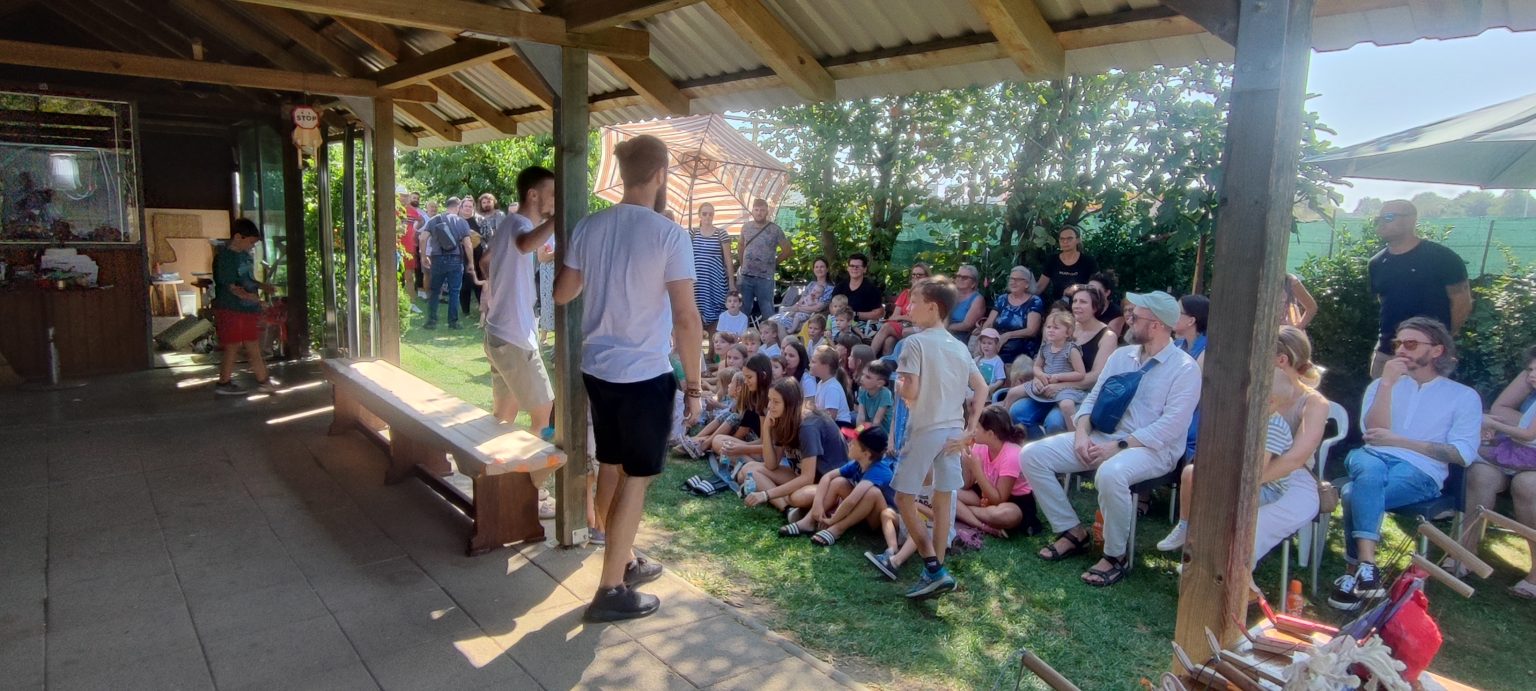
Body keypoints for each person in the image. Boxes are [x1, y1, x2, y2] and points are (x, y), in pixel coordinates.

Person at [554, 134, 703, 622]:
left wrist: (595, 263)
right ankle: (611, 588)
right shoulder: (669, 235)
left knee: (611, 464)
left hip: (598, 369)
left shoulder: (590, 226)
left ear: (622, 173)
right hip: (643, 375)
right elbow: (687, 318)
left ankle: (625, 559)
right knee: (637, 479)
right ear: (660, 174)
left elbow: (562, 293)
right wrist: (695, 387)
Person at [1021, 291, 1201, 587]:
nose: (1128, 319)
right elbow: (1092, 399)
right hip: (1102, 436)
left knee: (1111, 472)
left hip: (1153, 449)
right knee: (1032, 455)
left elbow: (1171, 426)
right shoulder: (1121, 356)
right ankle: (1071, 531)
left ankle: (1115, 555)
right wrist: (1081, 433)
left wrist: (1117, 447)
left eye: (1136, 316)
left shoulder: (1184, 369)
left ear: (1156, 324)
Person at [1328, 317, 1481, 612]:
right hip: (1371, 456)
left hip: (1421, 470)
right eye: (1398, 343)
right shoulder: (1381, 385)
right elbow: (1372, 434)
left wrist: (1401, 441)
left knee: (1352, 493)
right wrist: (1386, 384)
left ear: (1436, 350)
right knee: (1368, 470)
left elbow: (1462, 454)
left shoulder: (1462, 396)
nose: (1400, 350)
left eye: (1410, 344)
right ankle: (1368, 569)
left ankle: (1355, 571)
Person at [1157, 327, 1329, 572]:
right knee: (1201, 482)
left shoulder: (1314, 402)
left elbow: (1295, 459)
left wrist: (1244, 482)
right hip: (1246, 466)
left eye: (1258, 354)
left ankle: (1222, 574)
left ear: (1281, 360)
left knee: (1251, 524)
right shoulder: (1257, 391)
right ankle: (1199, 558)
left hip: (1293, 479)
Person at [891, 276, 989, 599]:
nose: (909, 307)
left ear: (933, 307)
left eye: (915, 302)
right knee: (943, 498)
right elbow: (982, 388)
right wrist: (971, 428)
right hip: (953, 432)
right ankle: (937, 570)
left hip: (924, 430)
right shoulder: (959, 347)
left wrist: (899, 385)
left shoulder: (914, 343)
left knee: (903, 498)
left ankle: (933, 568)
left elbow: (911, 390)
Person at [481, 167, 557, 438]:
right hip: (514, 336)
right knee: (544, 416)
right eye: (553, 194)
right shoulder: (520, 224)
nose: (557, 199)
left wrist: (501, 290)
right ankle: (529, 470)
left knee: (503, 418)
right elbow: (525, 245)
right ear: (533, 195)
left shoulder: (508, 223)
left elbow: (485, 261)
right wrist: (558, 219)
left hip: (498, 332)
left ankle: (496, 465)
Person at [1367, 200, 1472, 378]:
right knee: (1380, 394)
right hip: (1387, 351)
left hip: (1428, 356)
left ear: (1411, 220)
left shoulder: (1442, 258)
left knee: (1425, 396)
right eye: (1378, 219)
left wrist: (1441, 339)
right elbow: (1384, 302)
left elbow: (1462, 303)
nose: (1382, 223)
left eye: (1389, 217)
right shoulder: (1376, 263)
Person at [1462, 345, 1536, 599]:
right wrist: (1525, 422)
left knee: (1528, 485)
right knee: (1480, 474)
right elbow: (1500, 408)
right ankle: (1464, 552)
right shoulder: (1534, 366)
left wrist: (1513, 425)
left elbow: (1518, 427)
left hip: (1527, 453)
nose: (1531, 374)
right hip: (1518, 448)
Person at [1000, 287, 1115, 434]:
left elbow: (1095, 377)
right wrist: (1038, 378)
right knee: (1017, 411)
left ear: (1095, 307)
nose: (1077, 305)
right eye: (1075, 301)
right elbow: (1043, 359)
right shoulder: (1059, 326)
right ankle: (1034, 444)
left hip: (1079, 391)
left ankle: (1065, 444)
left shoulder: (1107, 336)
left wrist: (1060, 386)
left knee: (1054, 422)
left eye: (1083, 302)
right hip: (1048, 385)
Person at [741, 379, 848, 515]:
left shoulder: (808, 426)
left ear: (790, 404)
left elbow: (807, 477)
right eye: (769, 400)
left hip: (829, 482)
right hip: (804, 476)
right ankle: (788, 509)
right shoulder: (783, 418)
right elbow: (771, 465)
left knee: (797, 497)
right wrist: (767, 429)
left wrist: (766, 494)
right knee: (749, 468)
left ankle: (827, 502)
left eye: (776, 402)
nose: (770, 406)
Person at [781, 426, 895, 546]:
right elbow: (828, 477)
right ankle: (808, 522)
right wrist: (817, 504)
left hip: (880, 519)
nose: (848, 444)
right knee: (838, 482)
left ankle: (837, 529)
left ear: (866, 454)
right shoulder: (857, 463)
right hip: (862, 513)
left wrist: (833, 520)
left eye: (853, 443)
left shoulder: (879, 470)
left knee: (873, 493)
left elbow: (852, 501)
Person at [953, 405, 1040, 537]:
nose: (973, 431)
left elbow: (998, 500)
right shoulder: (980, 445)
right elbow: (966, 485)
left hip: (1013, 501)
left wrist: (976, 469)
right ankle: (982, 525)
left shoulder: (1011, 455)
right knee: (949, 494)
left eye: (977, 427)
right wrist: (966, 454)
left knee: (1005, 515)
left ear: (990, 434)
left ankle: (963, 513)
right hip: (985, 494)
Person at [213, 219, 277, 396]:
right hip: (231, 308)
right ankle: (227, 382)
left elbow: (248, 280)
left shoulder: (245, 256)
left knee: (251, 345)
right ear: (237, 237)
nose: (252, 246)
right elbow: (232, 287)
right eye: (250, 242)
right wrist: (253, 298)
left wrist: (263, 287)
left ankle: (262, 381)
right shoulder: (224, 258)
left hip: (247, 309)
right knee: (234, 346)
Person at [1011, 311, 1086, 436]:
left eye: (1056, 328)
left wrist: (1059, 377)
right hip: (1046, 384)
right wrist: (1040, 375)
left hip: (1065, 388)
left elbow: (1080, 373)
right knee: (1014, 395)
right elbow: (1037, 366)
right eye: (1048, 327)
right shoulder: (1045, 347)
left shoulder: (1071, 349)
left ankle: (1074, 436)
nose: (1051, 330)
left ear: (1068, 332)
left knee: (1067, 405)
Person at [422, 197, 477, 330]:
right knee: (454, 291)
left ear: (446, 206)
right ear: (458, 206)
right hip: (455, 259)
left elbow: (422, 238)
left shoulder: (434, 220)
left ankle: (431, 321)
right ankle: (453, 322)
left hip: (437, 259)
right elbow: (468, 244)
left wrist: (424, 256)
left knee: (435, 291)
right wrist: (471, 262)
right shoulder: (462, 222)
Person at [735, 198, 791, 320]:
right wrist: (742, 264)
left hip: (765, 278)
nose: (759, 213)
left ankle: (769, 333)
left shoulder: (775, 229)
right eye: (756, 210)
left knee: (768, 311)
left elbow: (787, 250)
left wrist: (774, 263)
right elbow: (740, 246)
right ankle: (742, 333)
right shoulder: (746, 227)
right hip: (746, 276)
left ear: (767, 212)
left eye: (762, 210)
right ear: (752, 211)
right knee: (743, 311)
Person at [977, 266, 1044, 365]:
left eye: (1018, 279)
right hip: (995, 345)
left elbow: (1031, 330)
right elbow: (989, 323)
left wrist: (1008, 335)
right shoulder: (1002, 299)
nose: (1013, 282)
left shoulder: (1034, 301)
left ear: (1027, 284)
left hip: (1021, 351)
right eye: (1011, 279)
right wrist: (982, 338)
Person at [690, 202, 737, 331]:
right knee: (696, 316)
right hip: (697, 283)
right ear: (699, 215)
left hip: (715, 282)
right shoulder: (692, 233)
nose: (707, 216)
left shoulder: (721, 233)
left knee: (717, 318)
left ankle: (714, 344)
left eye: (710, 214)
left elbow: (728, 260)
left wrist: (731, 283)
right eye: (704, 213)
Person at [1174, 294, 1209, 460]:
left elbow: (1192, 395)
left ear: (1191, 321)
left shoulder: (1207, 350)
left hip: (1191, 419)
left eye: (1177, 311)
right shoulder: (1177, 345)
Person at [870, 262, 929, 357]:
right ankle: (885, 365)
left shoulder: (929, 295)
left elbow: (921, 320)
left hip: (917, 328)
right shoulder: (906, 293)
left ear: (927, 277)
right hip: (902, 326)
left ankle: (868, 357)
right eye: (913, 275)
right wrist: (907, 317)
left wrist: (903, 317)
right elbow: (894, 316)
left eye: (919, 275)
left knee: (887, 327)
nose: (916, 277)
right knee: (889, 341)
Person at [1036, 225, 1098, 306]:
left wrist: (1078, 287)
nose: (1065, 242)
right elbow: (1040, 286)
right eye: (1062, 239)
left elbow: (1097, 286)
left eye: (1069, 238)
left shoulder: (1088, 261)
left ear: (1078, 240)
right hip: (1058, 306)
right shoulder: (1052, 260)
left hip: (1082, 305)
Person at [772, 257, 834, 334]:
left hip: (811, 319)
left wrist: (798, 309)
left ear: (827, 269)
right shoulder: (811, 284)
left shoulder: (830, 288)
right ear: (813, 269)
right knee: (772, 320)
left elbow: (818, 308)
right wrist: (793, 308)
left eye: (822, 267)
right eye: (816, 267)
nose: (819, 269)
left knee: (778, 324)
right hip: (799, 312)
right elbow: (802, 300)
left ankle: (786, 339)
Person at [833, 253, 885, 333]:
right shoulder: (840, 286)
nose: (854, 269)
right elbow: (831, 306)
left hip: (862, 325)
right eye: (852, 266)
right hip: (838, 322)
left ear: (864, 269)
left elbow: (879, 313)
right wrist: (840, 316)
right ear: (848, 268)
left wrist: (855, 314)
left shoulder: (872, 289)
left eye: (857, 267)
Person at [810, 346, 853, 426]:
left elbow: (830, 417)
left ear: (825, 366)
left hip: (840, 426)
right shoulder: (821, 383)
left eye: (813, 362)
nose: (810, 364)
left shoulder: (832, 388)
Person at [856, 360, 895, 437]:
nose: (862, 378)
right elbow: (861, 416)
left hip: (884, 433)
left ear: (880, 383)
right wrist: (856, 434)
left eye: (868, 377)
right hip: (869, 427)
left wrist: (862, 434)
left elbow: (877, 422)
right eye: (863, 374)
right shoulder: (862, 390)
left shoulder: (885, 394)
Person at [948, 264, 987, 338]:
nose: (960, 279)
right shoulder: (950, 294)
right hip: (943, 333)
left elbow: (967, 326)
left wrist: (944, 328)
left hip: (960, 338)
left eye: (965, 277)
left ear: (973, 283)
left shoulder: (977, 299)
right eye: (958, 276)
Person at [1088, 271, 1125, 339]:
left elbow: (1110, 337)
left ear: (1107, 293)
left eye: (1094, 290)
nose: (1090, 293)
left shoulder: (1117, 314)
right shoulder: (1085, 306)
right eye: (1088, 289)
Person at [974, 328, 1007, 396]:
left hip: (988, 392)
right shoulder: (977, 359)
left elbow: (1001, 379)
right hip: (975, 388)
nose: (986, 346)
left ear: (996, 345)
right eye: (983, 343)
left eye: (989, 343)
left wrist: (993, 387)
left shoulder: (997, 361)